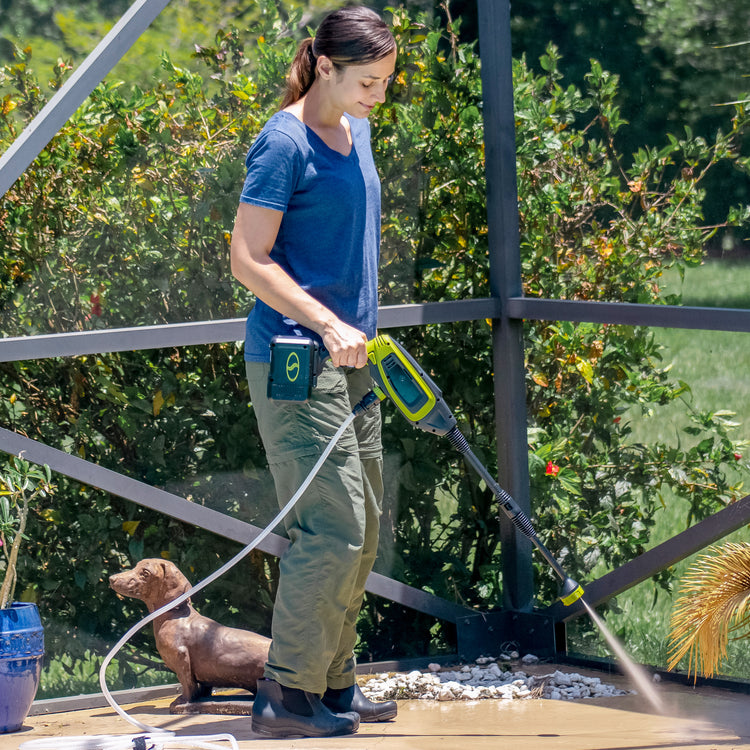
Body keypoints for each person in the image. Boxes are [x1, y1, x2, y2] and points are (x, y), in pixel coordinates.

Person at [230, 5, 398, 739]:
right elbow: (246, 258)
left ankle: (333, 683)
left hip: (351, 357)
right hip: (297, 361)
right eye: (368, 81)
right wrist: (325, 320)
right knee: (331, 529)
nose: (378, 96)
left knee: (361, 530)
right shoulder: (283, 142)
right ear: (325, 67)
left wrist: (349, 326)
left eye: (387, 82)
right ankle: (285, 696)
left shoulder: (355, 130)